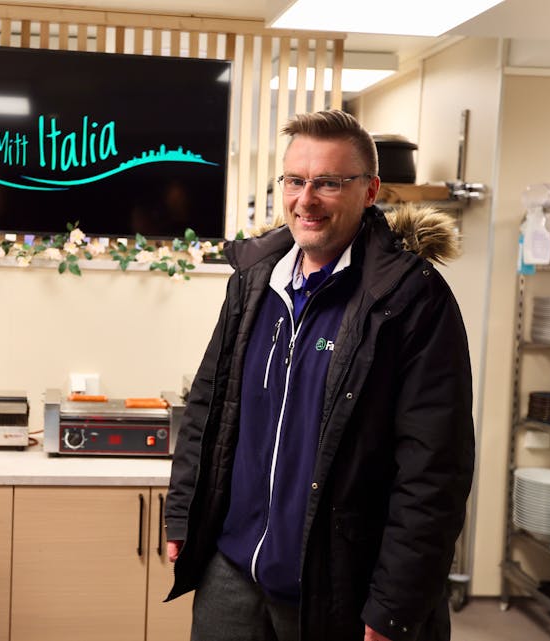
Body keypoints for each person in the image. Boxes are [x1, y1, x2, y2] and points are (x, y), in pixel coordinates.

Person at [164, 110, 474, 641]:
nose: (305, 200)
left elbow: (433, 470)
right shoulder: (253, 285)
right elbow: (209, 406)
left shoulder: (410, 300)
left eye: (328, 183)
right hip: (232, 573)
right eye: (294, 180)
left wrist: (396, 603)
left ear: (370, 189)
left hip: (336, 585)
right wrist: (182, 510)